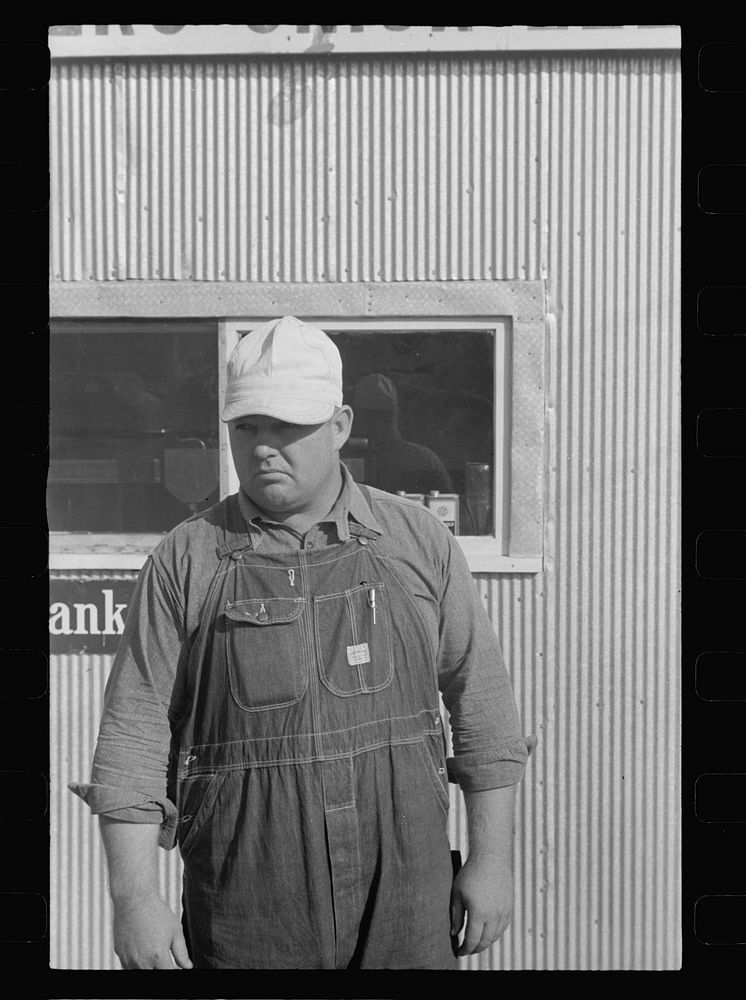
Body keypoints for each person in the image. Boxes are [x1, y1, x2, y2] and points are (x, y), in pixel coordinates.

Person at [70, 315, 536, 970]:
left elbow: (483, 709)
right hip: (249, 906)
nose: (264, 447)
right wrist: (134, 901)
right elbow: (131, 740)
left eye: (288, 426)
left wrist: (492, 862)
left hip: (405, 897)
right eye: (247, 427)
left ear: (341, 425)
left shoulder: (417, 542)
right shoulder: (187, 560)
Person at [351, 372, 454, 495]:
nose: (378, 423)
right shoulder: (343, 462)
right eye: (370, 415)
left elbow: (448, 507)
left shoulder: (425, 461)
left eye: (384, 416)